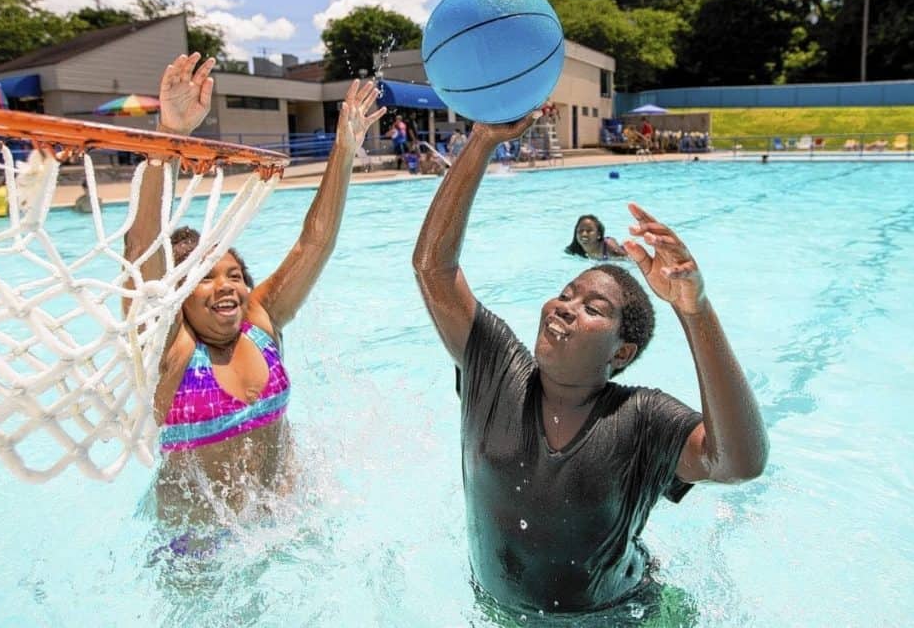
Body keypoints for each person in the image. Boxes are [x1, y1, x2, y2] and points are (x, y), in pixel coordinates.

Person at [411, 113, 768, 617]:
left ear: (621, 352)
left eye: (592, 309)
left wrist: (695, 309)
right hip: (498, 613)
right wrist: (483, 140)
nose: (565, 308)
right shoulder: (496, 371)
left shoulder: (641, 419)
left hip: (620, 615)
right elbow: (433, 268)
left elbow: (738, 462)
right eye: (564, 295)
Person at [125, 53, 385, 527]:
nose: (226, 286)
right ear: (178, 297)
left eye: (234, 274)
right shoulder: (173, 350)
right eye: (206, 277)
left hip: (283, 524)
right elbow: (142, 253)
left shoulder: (261, 323)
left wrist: (345, 148)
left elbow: (316, 240)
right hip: (198, 551)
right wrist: (169, 136)